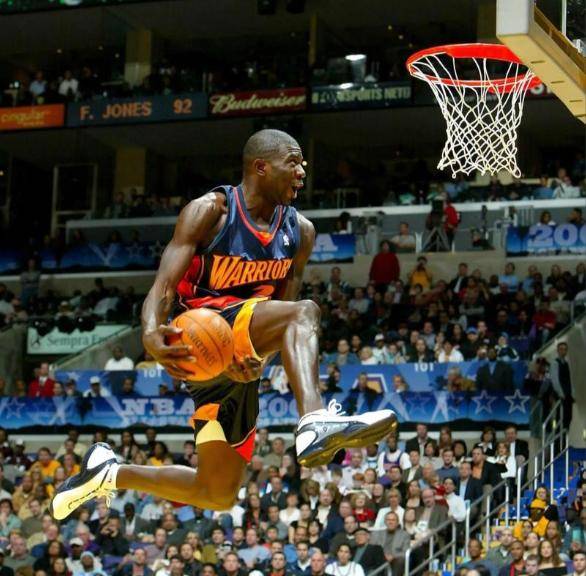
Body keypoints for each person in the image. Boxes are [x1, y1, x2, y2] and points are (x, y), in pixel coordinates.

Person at [50, 130, 397, 521]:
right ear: (261, 167)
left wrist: (256, 360)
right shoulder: (210, 211)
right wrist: (149, 331)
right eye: (293, 163)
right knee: (306, 312)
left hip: (237, 353)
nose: (302, 172)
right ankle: (315, 420)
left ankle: (108, 473)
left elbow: (280, 312)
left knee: (216, 493)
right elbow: (164, 286)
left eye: (303, 164)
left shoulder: (300, 232)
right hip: (200, 335)